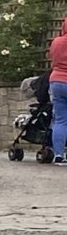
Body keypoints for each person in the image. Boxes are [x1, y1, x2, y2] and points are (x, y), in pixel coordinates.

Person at [51, 17, 67, 163]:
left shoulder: (56, 42)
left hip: (57, 81)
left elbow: (53, 60)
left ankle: (58, 155)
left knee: (60, 121)